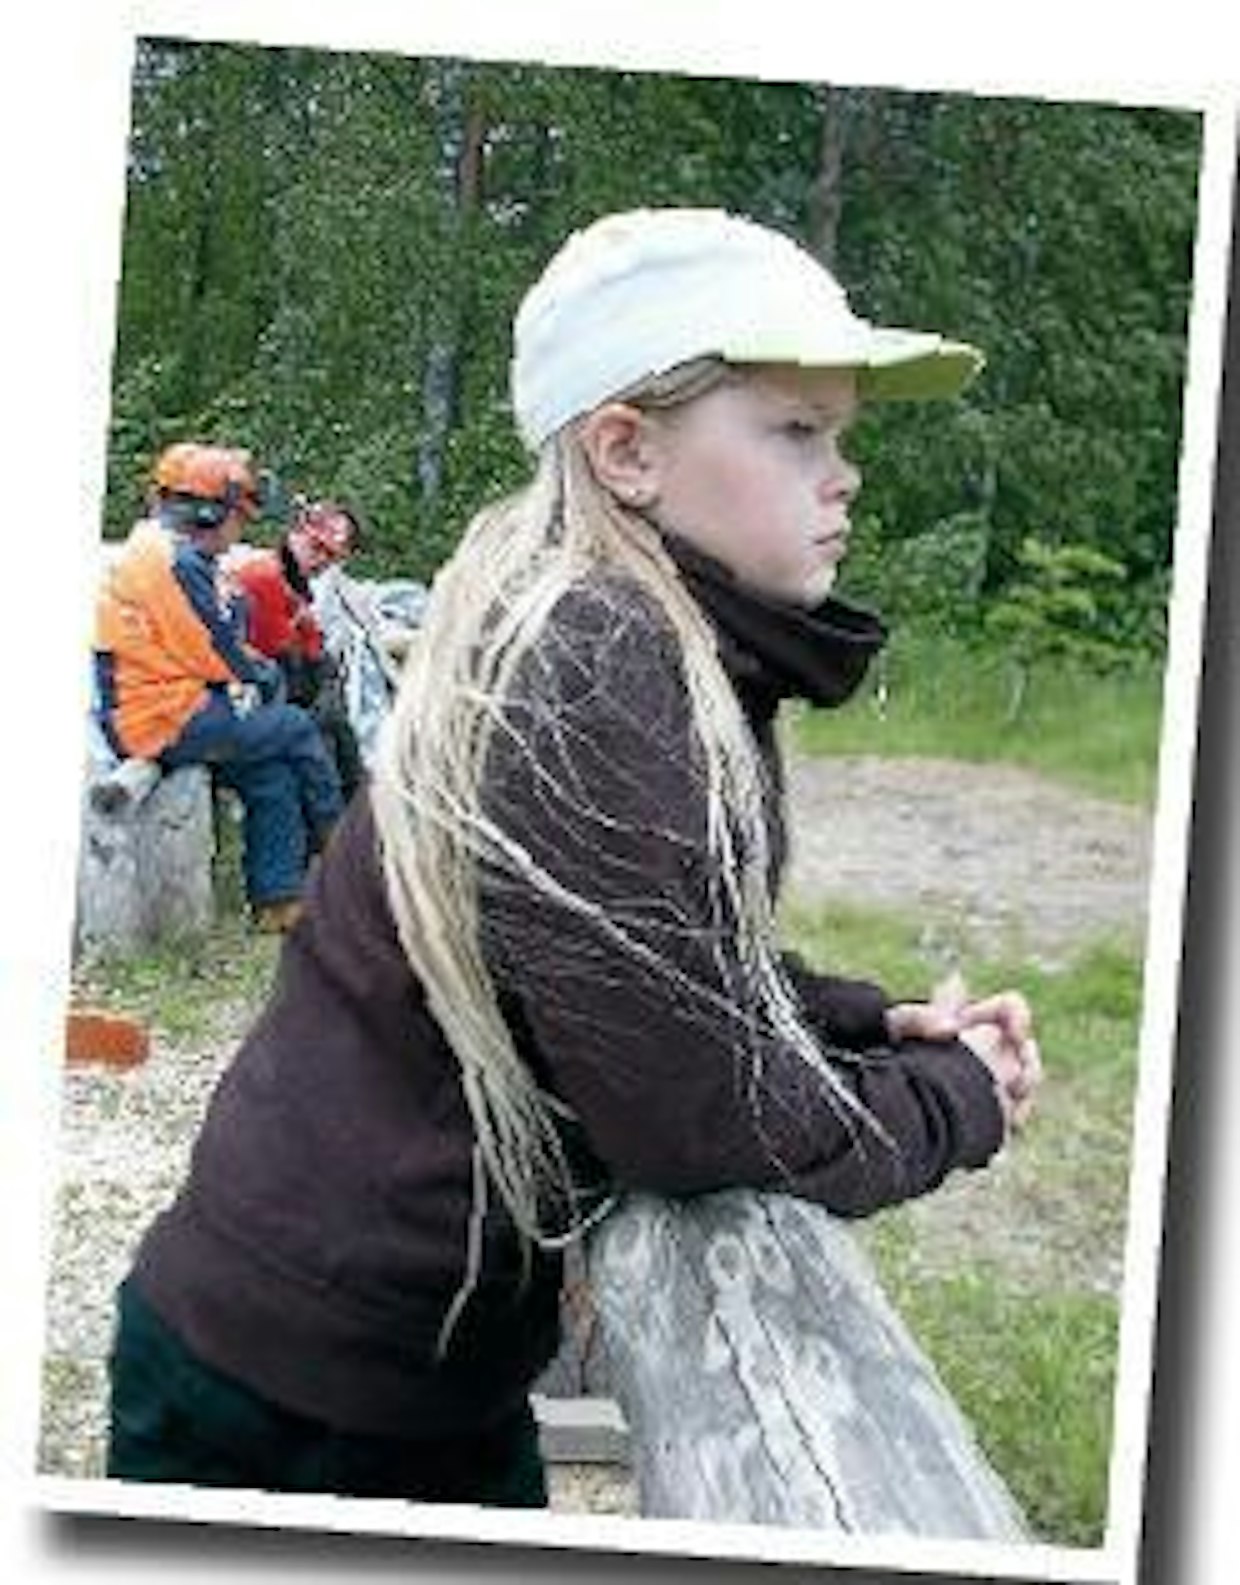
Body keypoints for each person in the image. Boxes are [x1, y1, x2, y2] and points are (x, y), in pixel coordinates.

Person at [105, 210, 1042, 1508]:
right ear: (626, 451)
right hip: (312, 1398)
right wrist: (958, 1095)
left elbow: (660, 965)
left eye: (840, 437)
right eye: (796, 430)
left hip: (355, 1352)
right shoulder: (599, 665)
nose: (845, 478)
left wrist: (867, 1019)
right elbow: (695, 1113)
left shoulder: (597, 631)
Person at [93, 442, 346, 932]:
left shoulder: (164, 551)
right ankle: (342, 851)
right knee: (297, 728)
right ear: (208, 513)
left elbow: (206, 640)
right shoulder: (177, 563)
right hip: (160, 718)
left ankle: (277, 901)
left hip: (165, 708)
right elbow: (218, 649)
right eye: (238, 519)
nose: (238, 534)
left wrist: (247, 660)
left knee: (270, 774)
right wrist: (262, 673)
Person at [223, 498, 366, 800]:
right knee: (317, 748)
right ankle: (331, 822)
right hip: (251, 699)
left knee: (338, 734)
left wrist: (326, 684)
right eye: (316, 549)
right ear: (296, 534)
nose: (321, 561)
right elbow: (278, 657)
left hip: (276, 691)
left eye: (330, 557)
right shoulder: (264, 578)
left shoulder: (296, 589)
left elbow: (313, 651)